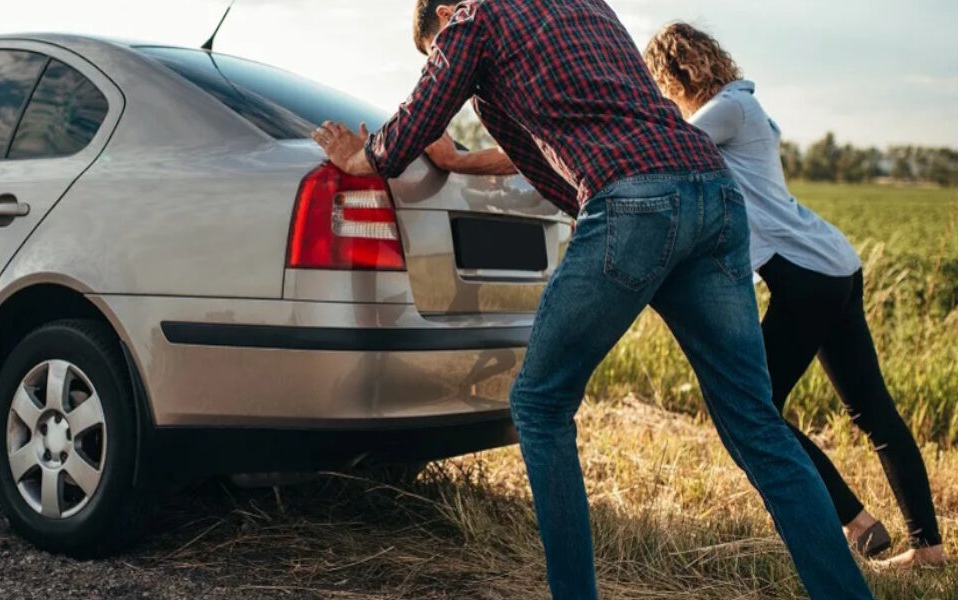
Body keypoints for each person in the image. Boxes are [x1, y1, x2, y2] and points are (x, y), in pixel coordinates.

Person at [312, 1, 874, 598]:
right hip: (714, 194)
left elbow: (419, 117)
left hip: (637, 202)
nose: (442, 60)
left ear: (444, 14)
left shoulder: (474, 17)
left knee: (539, 403)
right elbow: (562, 146)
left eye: (434, 50)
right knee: (757, 423)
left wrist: (362, 156)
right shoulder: (584, 5)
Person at [644, 22, 948, 569]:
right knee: (871, 412)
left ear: (676, 73)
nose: (664, 94)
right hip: (829, 267)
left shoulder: (729, 110)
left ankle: (857, 523)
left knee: (751, 406)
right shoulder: (741, 106)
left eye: (661, 83)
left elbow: (668, 144)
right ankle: (921, 547)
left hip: (806, 275)